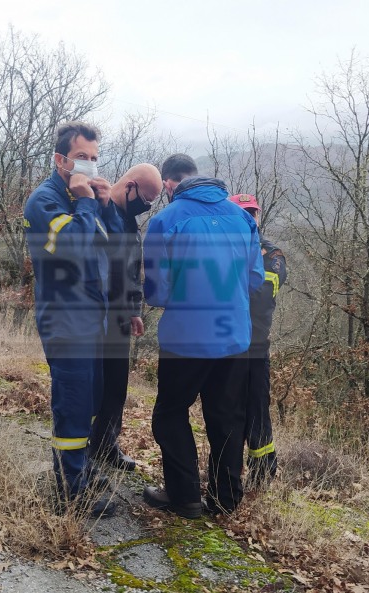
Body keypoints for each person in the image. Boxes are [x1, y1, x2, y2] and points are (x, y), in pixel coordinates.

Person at [142, 154, 264, 518]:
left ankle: (184, 498)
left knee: (171, 413)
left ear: (169, 184)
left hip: (185, 340)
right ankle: (226, 500)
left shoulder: (165, 221)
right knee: (226, 417)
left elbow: (157, 291)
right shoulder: (242, 218)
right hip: (234, 338)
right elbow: (255, 279)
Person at [23, 121, 123, 518]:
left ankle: (80, 469)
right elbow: (73, 249)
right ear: (60, 159)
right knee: (74, 404)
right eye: (83, 157)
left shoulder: (86, 197)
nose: (90, 165)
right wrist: (83, 203)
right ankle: (70, 492)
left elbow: (115, 244)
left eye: (95, 159)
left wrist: (104, 202)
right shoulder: (44, 201)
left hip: (92, 318)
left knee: (93, 400)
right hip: (65, 321)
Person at [90, 164, 163, 472]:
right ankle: (81, 450)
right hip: (96, 316)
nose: (146, 206)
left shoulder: (130, 223)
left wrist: (134, 309)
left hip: (120, 316)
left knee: (116, 385)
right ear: (130, 186)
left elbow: (132, 271)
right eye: (145, 199)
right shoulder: (98, 212)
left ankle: (107, 445)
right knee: (93, 385)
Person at [228, 194, 287, 488]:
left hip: (254, 345)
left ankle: (264, 471)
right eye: (243, 213)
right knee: (228, 409)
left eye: (253, 213)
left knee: (257, 410)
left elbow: (262, 294)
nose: (249, 218)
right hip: (226, 344)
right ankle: (228, 470)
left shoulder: (271, 254)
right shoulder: (226, 248)